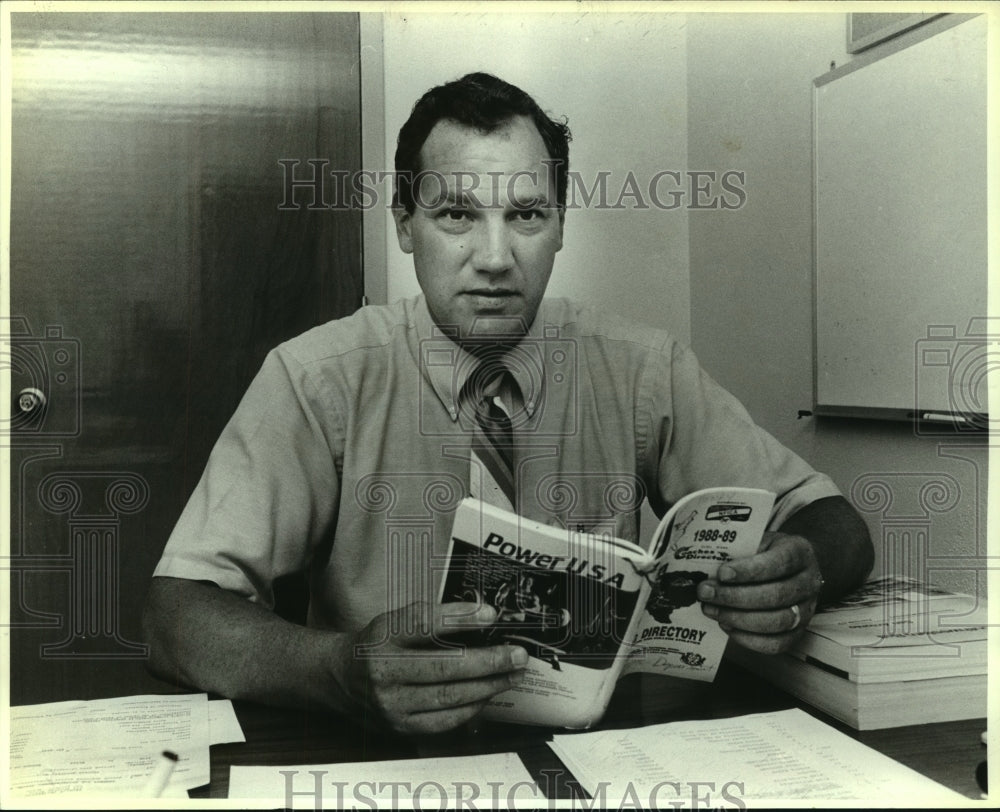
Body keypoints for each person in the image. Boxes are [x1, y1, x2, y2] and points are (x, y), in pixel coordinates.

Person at [143, 72, 873, 735]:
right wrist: (340, 671)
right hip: (384, 761)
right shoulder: (316, 377)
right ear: (404, 225)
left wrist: (800, 564)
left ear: (561, 225)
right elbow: (177, 615)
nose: (495, 258)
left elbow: (833, 521)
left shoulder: (642, 367)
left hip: (597, 755)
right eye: (457, 216)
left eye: (525, 216)